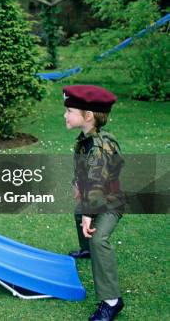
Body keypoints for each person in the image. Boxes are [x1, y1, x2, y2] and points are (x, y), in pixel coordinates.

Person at [63, 85, 125, 321]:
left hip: (110, 202)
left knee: (99, 238)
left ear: (88, 116)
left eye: (69, 110)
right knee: (79, 213)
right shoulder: (85, 139)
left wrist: (90, 211)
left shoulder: (100, 146)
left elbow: (98, 182)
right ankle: (87, 250)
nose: (65, 115)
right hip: (94, 195)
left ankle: (112, 301)